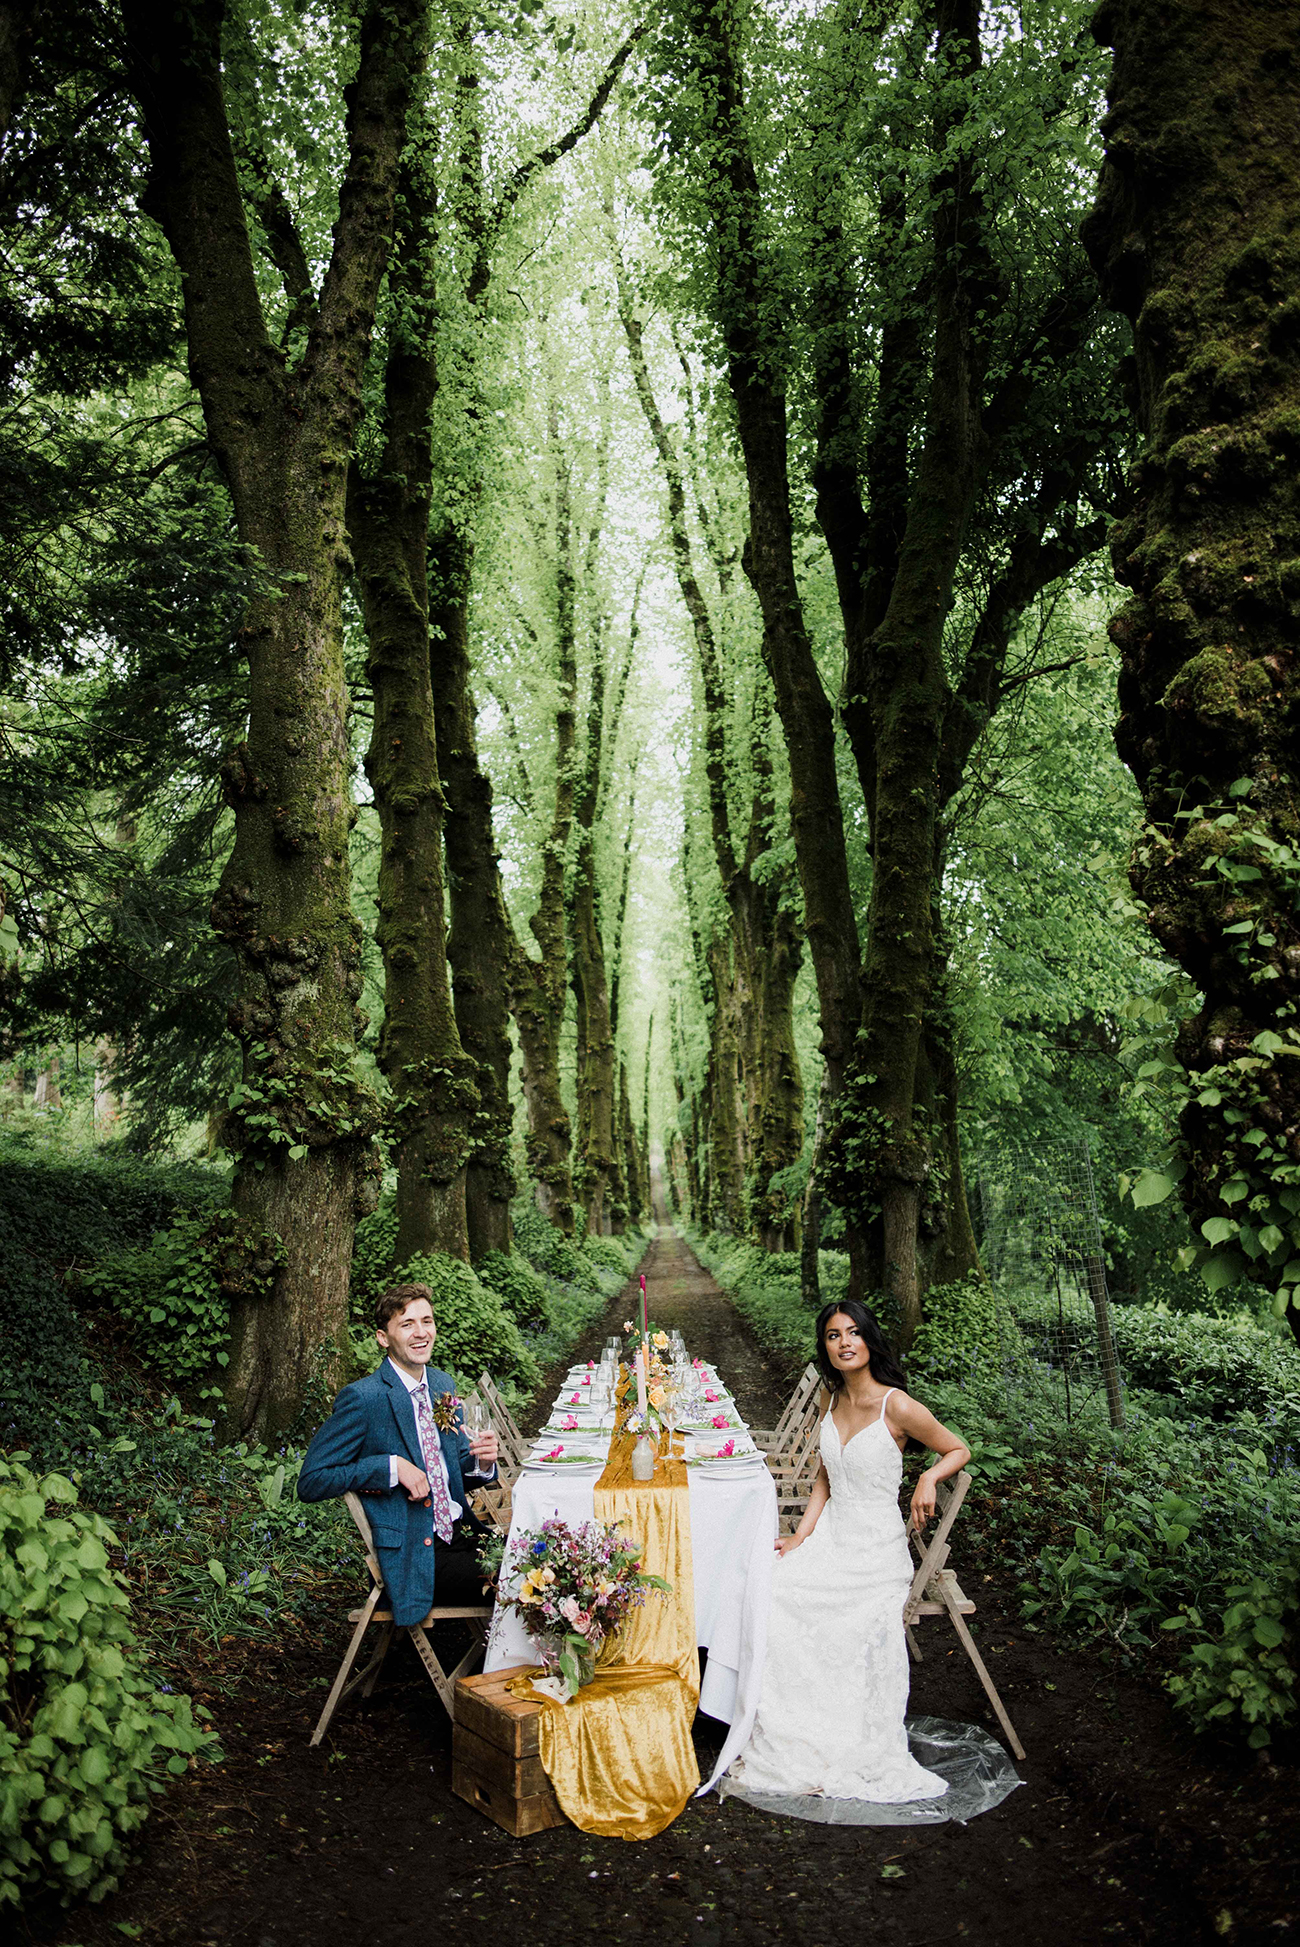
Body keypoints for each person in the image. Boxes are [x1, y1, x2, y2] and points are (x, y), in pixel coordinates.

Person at [727, 1299, 970, 1803]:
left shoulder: (896, 1404)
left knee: (822, 1607)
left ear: (869, 1340)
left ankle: (838, 1732)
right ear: (826, 1347)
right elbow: (824, 1475)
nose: (845, 1343)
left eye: (854, 1333)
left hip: (875, 1547)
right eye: (834, 1335)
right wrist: (801, 1535)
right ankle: (795, 1725)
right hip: (833, 1533)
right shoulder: (830, 1399)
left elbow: (959, 1449)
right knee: (773, 1585)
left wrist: (928, 1476)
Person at [297, 1282, 499, 1624]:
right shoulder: (364, 1399)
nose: (421, 1333)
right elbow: (312, 1480)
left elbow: (450, 1470)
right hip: (418, 1558)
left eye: (427, 1321)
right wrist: (391, 1468)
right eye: (407, 1324)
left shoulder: (441, 1385)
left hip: (462, 1534)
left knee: (546, 1555)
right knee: (526, 1576)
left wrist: (481, 1461)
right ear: (383, 1337)